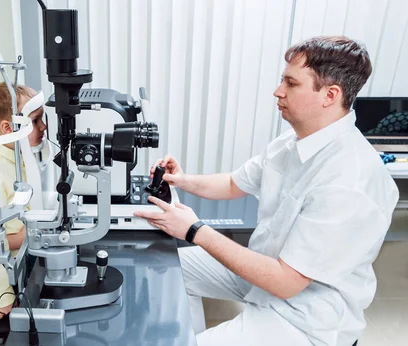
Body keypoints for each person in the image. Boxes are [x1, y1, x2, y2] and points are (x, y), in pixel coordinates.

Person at [135, 36, 399, 346]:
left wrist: (194, 230)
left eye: (291, 83)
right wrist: (182, 180)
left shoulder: (350, 180)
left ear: (330, 95)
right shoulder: (292, 142)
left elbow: (286, 282)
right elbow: (235, 183)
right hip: (263, 272)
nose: (278, 91)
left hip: (306, 316)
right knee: (164, 267)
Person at [0, 82, 48, 319]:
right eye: (35, 121)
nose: (44, 126)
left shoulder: (22, 157)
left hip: (31, 249)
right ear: (8, 128)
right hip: (14, 268)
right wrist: (3, 293)